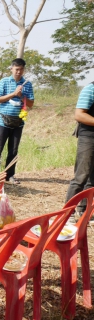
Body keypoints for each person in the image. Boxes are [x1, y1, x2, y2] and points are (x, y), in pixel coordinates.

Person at [0, 58, 34, 185]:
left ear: (24, 70)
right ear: (11, 69)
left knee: (13, 150)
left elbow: (31, 103)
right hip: (2, 122)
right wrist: (14, 93)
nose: (18, 72)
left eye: (21, 69)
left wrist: (21, 96)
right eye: (16, 69)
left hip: (18, 122)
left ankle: (9, 175)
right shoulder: (4, 81)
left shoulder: (27, 84)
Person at [65, 81, 94, 225]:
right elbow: (79, 115)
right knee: (81, 176)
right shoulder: (90, 89)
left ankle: (84, 211)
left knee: (93, 178)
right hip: (89, 137)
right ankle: (67, 213)